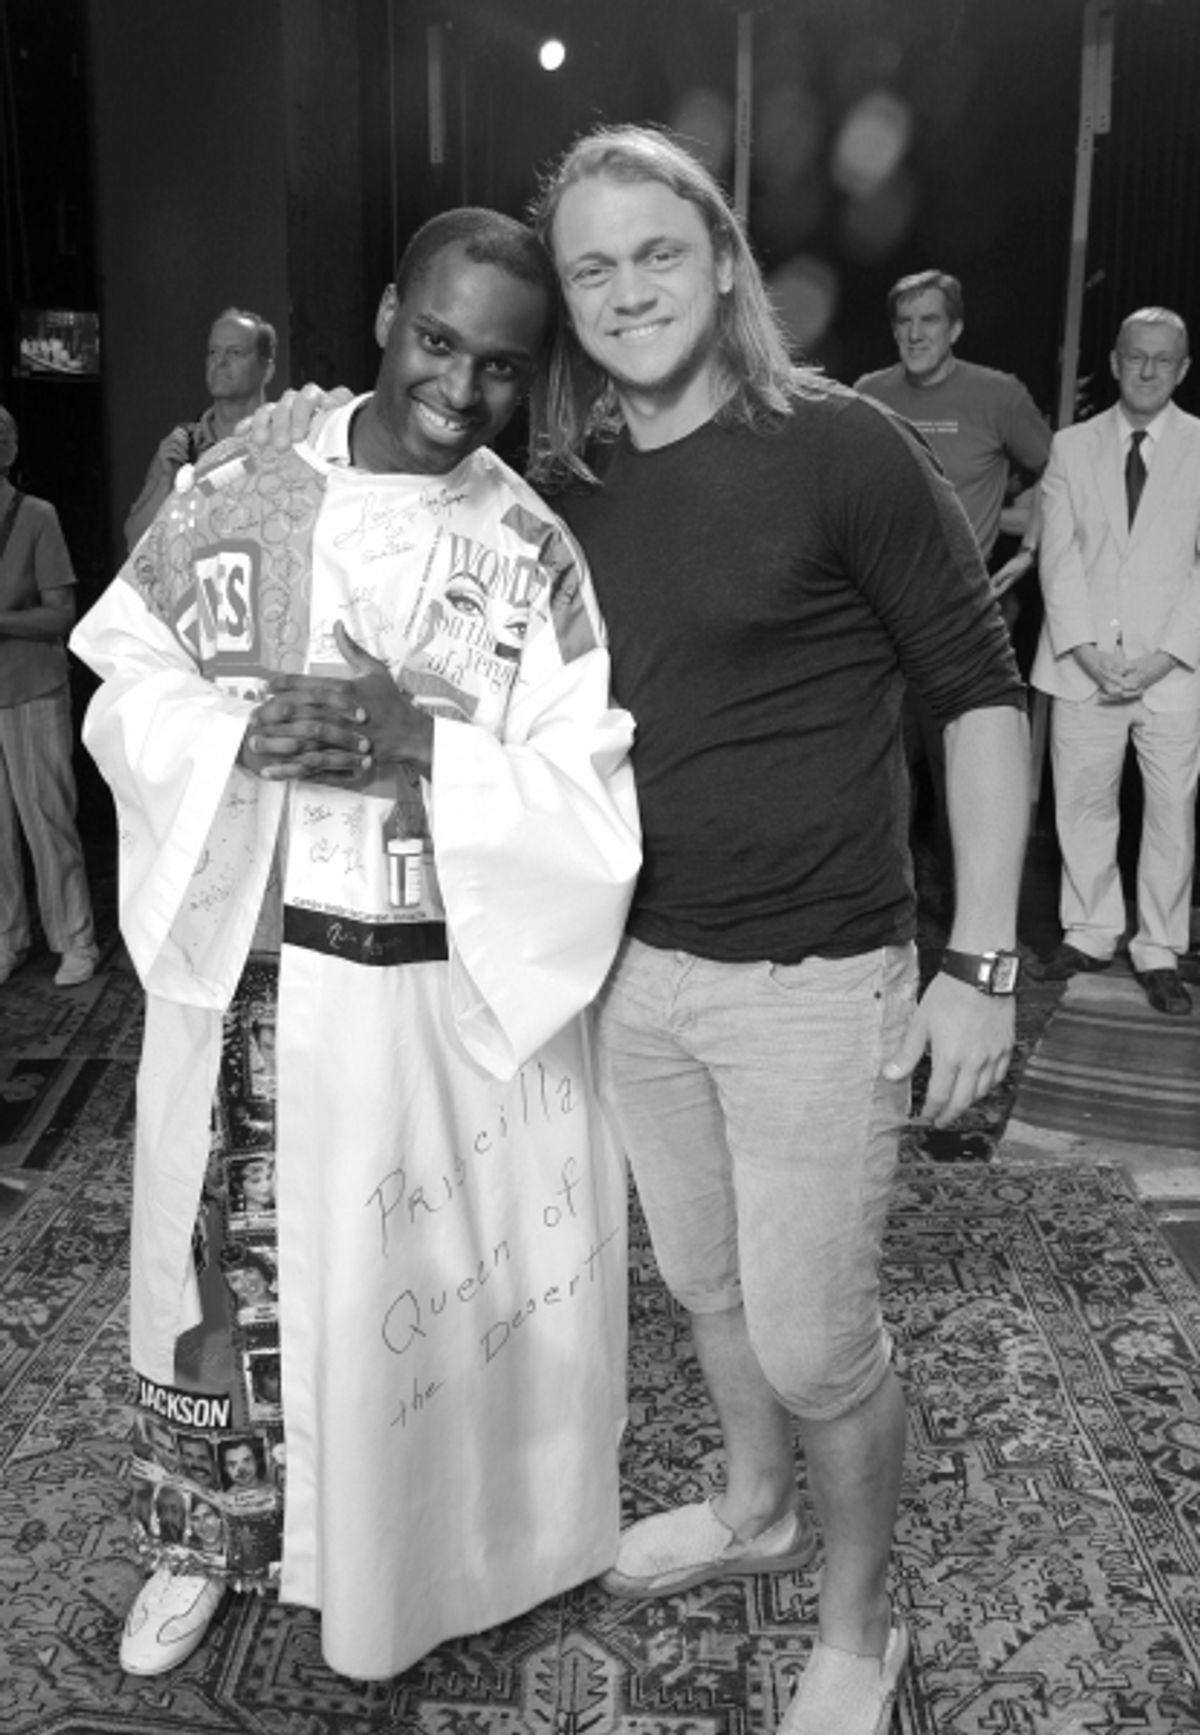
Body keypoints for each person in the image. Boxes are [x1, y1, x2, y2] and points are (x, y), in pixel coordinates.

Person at [71, 208, 640, 1683]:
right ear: (390, 311)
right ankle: (201, 1542)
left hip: (412, 1003)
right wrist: (240, 732)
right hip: (251, 965)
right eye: (438, 340)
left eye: (503, 366)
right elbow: (122, 674)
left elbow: (589, 804)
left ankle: (418, 1552)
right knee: (219, 1277)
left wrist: (422, 747)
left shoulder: (531, 551)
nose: (460, 386)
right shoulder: (247, 483)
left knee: (395, 1297)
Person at [525, 128, 1029, 1735]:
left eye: (656, 254)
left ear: (724, 259)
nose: (626, 290)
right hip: (637, 973)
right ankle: (755, 1508)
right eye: (590, 267)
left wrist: (984, 962)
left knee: (817, 1337)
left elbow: (978, 692)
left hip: (816, 981)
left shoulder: (844, 445)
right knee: (706, 1282)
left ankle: (859, 1629)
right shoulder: (571, 490)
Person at [1030, 307, 1200, 1015]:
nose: (1149, 370)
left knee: (1169, 811)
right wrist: (1088, 650)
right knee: (1085, 802)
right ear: (1115, 359)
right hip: (1083, 663)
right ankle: (1091, 929)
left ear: (1184, 368)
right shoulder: (1071, 446)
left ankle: (1159, 946)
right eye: (1137, 356)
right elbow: (1059, 556)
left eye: (1164, 359)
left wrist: (1165, 656)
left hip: (1174, 669)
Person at [854, 270, 1052, 596]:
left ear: (955, 330)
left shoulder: (999, 395)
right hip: (876, 592)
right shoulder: (870, 391)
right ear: (894, 331)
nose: (915, 334)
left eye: (929, 320)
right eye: (905, 321)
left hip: (960, 598)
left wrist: (1028, 551)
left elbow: (1059, 471)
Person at [0, 406, 99, 988]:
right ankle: (8, 939)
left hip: (34, 688)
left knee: (47, 819)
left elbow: (61, 615)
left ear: (10, 449)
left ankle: (75, 939)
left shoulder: (36, 516)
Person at [122, 307, 277, 550]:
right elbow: (134, 544)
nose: (220, 361)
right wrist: (166, 481)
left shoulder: (284, 436)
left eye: (235, 352)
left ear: (267, 370)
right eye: (213, 352)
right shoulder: (182, 445)